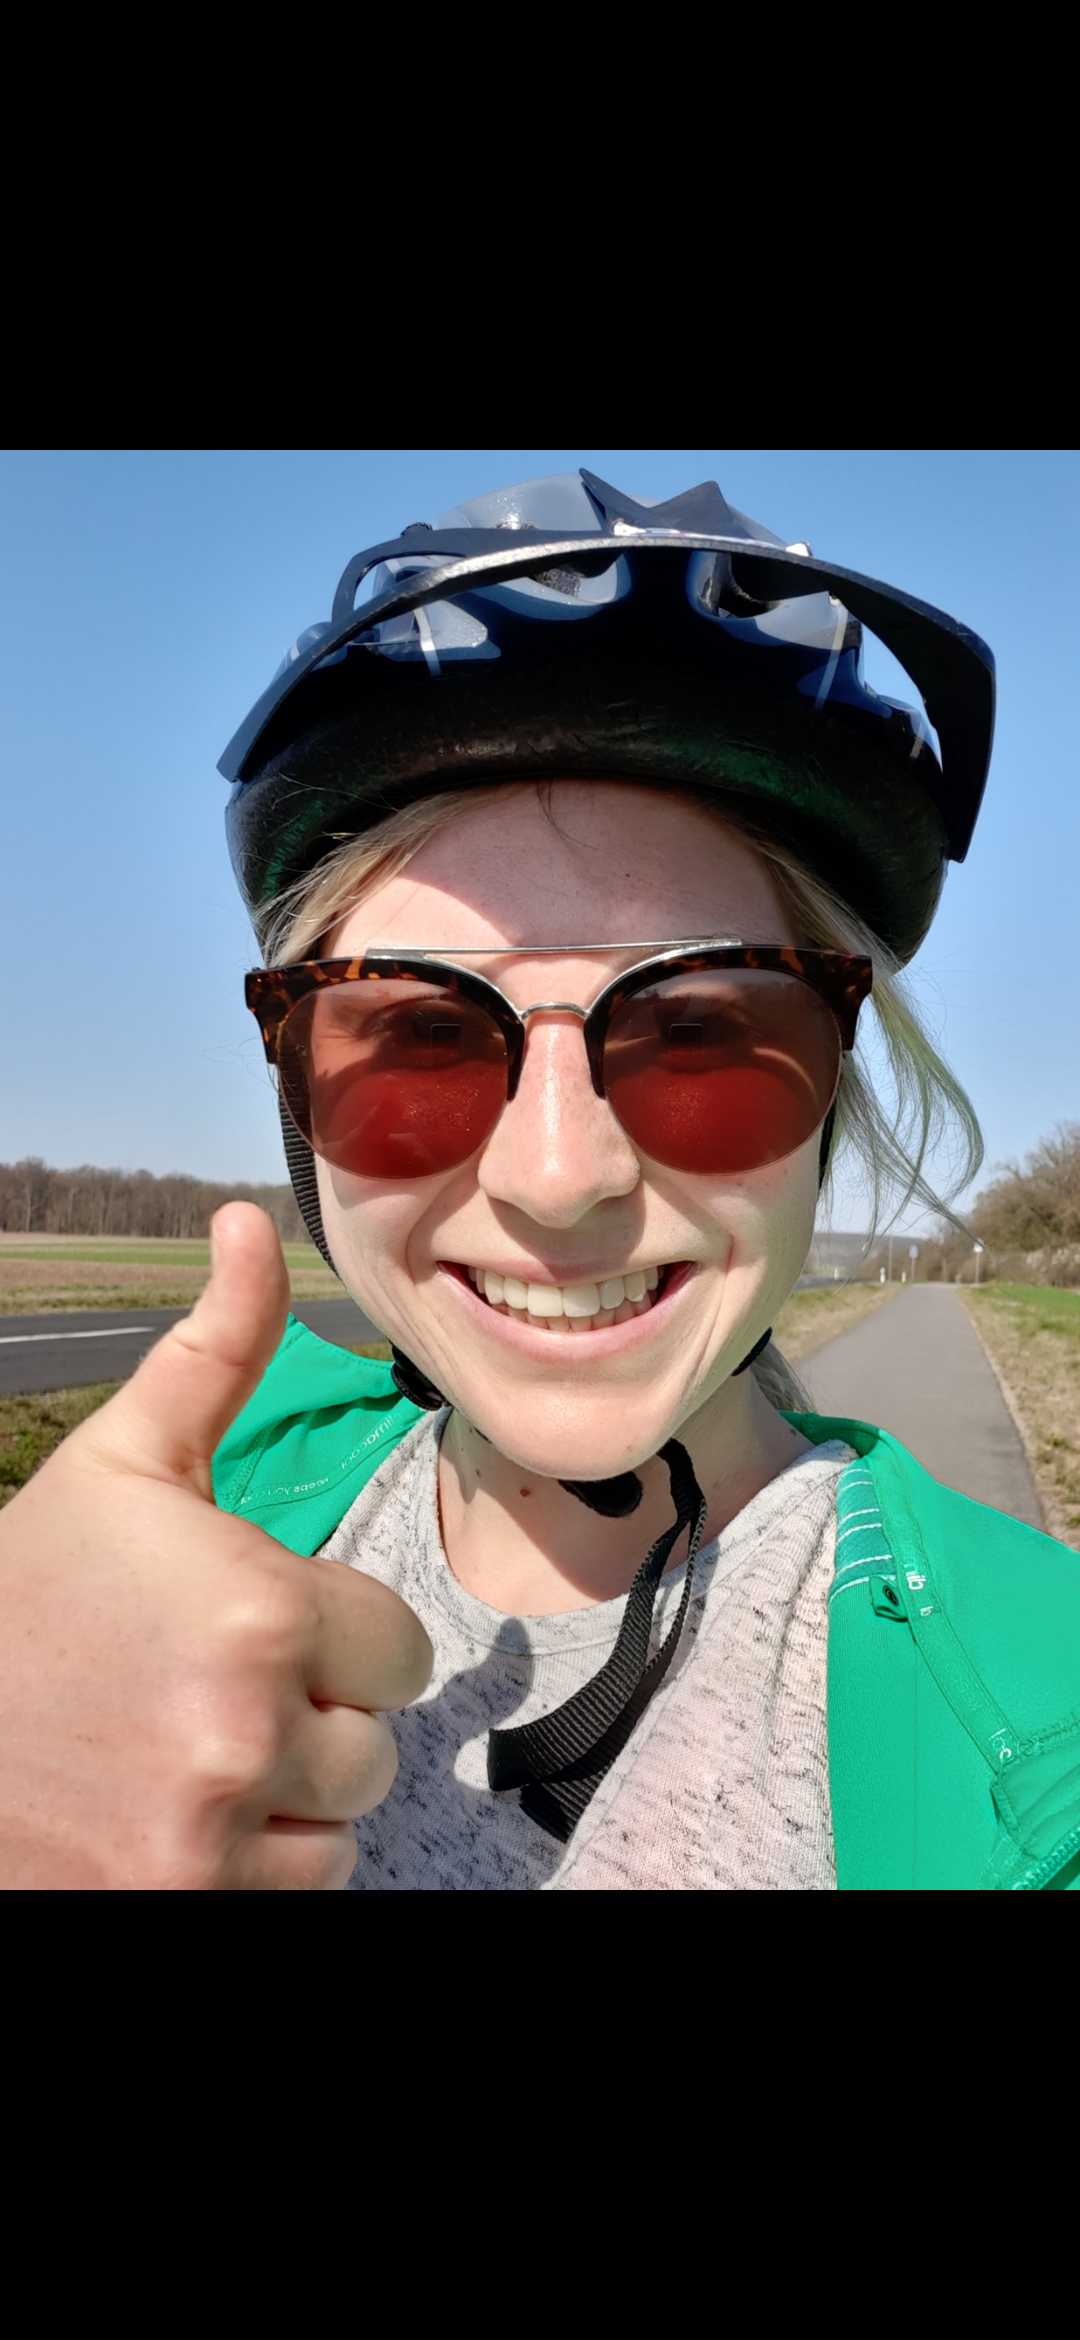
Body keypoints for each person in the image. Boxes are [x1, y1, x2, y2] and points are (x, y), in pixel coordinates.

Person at [3, 465, 1079, 1890]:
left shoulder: (1037, 1715)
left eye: (702, 1033)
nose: (560, 1178)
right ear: (295, 1088)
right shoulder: (173, 1513)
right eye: (423, 1039)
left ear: (832, 1087)